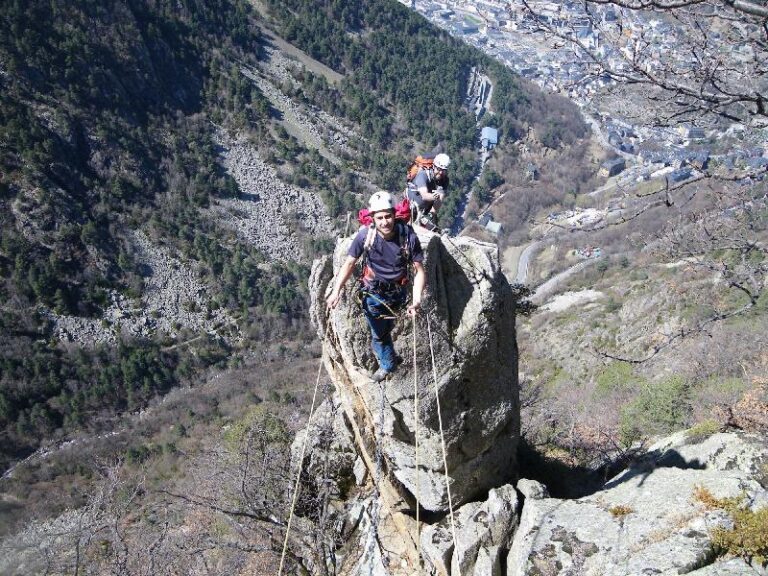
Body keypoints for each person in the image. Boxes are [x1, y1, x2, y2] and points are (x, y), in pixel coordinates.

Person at [326, 191, 426, 382]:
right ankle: (388, 365)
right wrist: (336, 291)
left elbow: (419, 271)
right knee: (379, 335)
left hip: (398, 294)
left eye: (388, 216)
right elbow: (349, 264)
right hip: (373, 295)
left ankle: (387, 354)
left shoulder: (408, 237)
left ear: (394, 214)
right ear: (372, 218)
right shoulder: (365, 236)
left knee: (385, 329)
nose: (384, 222)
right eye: (379, 218)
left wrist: (416, 300)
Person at [407, 152, 450, 229]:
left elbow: (440, 199)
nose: (440, 172)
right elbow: (424, 195)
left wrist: (430, 214)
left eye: (443, 170)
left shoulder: (444, 180)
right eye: (439, 169)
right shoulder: (423, 175)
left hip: (426, 209)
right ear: (433, 166)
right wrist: (433, 196)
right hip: (411, 205)